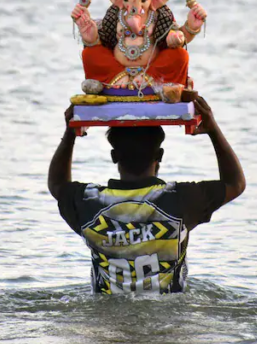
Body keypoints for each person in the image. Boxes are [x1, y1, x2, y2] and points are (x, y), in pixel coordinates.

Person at [47, 96, 245, 294]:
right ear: (159, 156)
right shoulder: (181, 199)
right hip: (168, 317)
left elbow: (57, 185)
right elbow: (235, 184)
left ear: (114, 157)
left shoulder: (89, 202)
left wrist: (70, 133)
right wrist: (212, 130)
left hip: (107, 318)